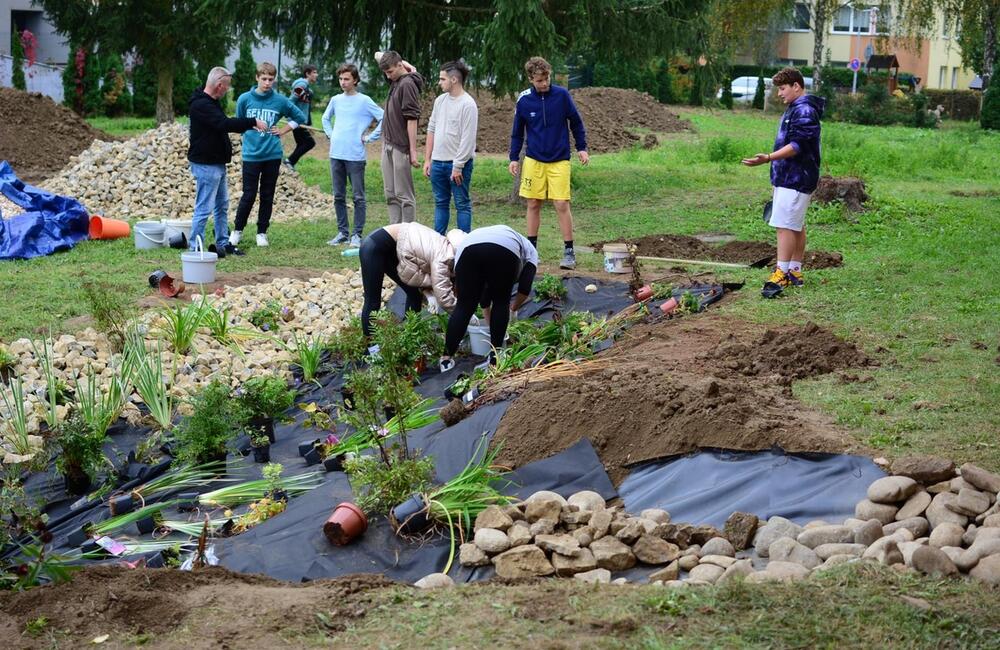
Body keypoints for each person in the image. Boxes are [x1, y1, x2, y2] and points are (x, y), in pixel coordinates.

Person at [741, 67, 824, 299]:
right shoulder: (796, 108)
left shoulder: (804, 110)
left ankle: (782, 272)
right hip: (789, 176)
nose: (779, 93)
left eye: (783, 88)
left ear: (796, 86)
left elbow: (798, 145)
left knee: (784, 224)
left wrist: (767, 158)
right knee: (795, 223)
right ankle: (795, 271)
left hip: (796, 177)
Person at [508, 56, 588, 270]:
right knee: (533, 203)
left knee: (561, 203)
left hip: (559, 159)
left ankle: (569, 251)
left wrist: (582, 148)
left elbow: (576, 122)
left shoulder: (562, 95)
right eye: (539, 80)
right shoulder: (524, 100)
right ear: (530, 79)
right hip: (534, 159)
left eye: (546, 79)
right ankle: (531, 251)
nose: (544, 84)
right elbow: (517, 133)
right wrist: (514, 158)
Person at [186, 66, 267, 257]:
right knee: (204, 208)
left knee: (221, 205)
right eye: (227, 87)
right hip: (206, 165)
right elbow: (224, 124)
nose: (228, 90)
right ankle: (195, 248)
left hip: (216, 163)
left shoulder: (211, 102)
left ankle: (223, 243)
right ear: (219, 85)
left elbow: (222, 124)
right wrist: (252, 121)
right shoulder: (201, 105)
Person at [440, 225, 538, 371]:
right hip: (505, 250)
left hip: (467, 248)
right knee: (501, 301)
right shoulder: (531, 252)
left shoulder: (486, 235)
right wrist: (513, 308)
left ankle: (446, 359)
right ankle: (495, 357)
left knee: (464, 307)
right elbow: (524, 288)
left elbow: (481, 294)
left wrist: (486, 313)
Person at [232, 62, 308, 248]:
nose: (267, 83)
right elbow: (239, 121)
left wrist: (283, 130)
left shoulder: (280, 100)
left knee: (267, 194)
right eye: (264, 79)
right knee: (248, 194)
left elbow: (300, 117)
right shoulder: (244, 99)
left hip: (272, 155)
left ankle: (262, 232)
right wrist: (248, 132)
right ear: (257, 78)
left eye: (271, 80)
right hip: (251, 154)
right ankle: (237, 231)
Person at [359, 222, 463, 336]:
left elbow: (418, 276)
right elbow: (442, 292)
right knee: (373, 301)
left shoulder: (439, 248)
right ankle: (371, 349)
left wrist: (428, 294)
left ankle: (409, 335)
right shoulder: (443, 255)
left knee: (414, 293)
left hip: (393, 249)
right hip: (375, 246)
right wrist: (464, 315)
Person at [322, 63, 384, 248]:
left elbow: (384, 117)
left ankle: (356, 234)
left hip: (355, 156)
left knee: (358, 197)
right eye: (340, 79)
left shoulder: (364, 100)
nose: (343, 82)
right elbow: (325, 118)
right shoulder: (335, 100)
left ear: (355, 80)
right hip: (336, 154)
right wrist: (331, 134)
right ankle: (342, 232)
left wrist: (370, 137)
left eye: (347, 79)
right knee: (338, 195)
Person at [423, 60, 478, 234]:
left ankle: (464, 245)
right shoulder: (440, 101)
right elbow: (431, 128)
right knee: (440, 203)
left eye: (442, 79)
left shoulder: (468, 104)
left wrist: (458, 166)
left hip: (458, 166)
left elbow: (467, 140)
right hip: (438, 163)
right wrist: (428, 159)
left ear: (454, 79)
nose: (439, 83)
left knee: (461, 203)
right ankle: (437, 243)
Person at [377, 50, 424, 224]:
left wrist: (412, 150)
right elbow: (377, 54)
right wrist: (409, 66)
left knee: (404, 194)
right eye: (385, 73)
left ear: (399, 66)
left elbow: (412, 119)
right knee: (390, 193)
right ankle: (394, 231)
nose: (388, 77)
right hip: (387, 143)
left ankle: (408, 234)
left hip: (401, 146)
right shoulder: (397, 79)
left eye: (390, 72)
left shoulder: (408, 84)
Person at [284, 64, 318, 171]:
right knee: (309, 143)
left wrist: (309, 124)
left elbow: (306, 108)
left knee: (302, 143)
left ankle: (289, 163)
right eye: (314, 72)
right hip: (297, 120)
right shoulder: (301, 86)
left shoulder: (308, 90)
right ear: (308, 74)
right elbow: (291, 100)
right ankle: (289, 161)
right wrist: (292, 117)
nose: (316, 75)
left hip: (302, 121)